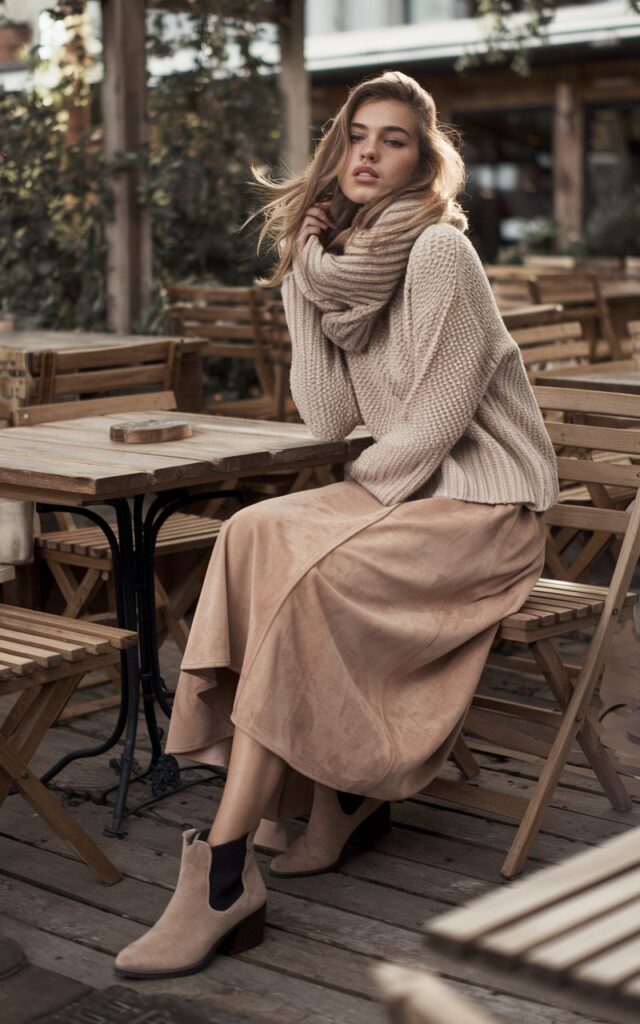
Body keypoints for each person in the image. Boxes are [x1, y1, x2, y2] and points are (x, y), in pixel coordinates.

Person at [115, 70, 558, 980]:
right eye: (358, 133)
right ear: (336, 148)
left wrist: (349, 511)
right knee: (251, 534)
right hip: (412, 492)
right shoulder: (338, 271)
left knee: (309, 575)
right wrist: (297, 278)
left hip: (481, 505)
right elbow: (325, 418)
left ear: (420, 161)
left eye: (394, 139)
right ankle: (336, 799)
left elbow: (436, 420)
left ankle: (226, 865)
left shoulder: (439, 252)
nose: (369, 150)